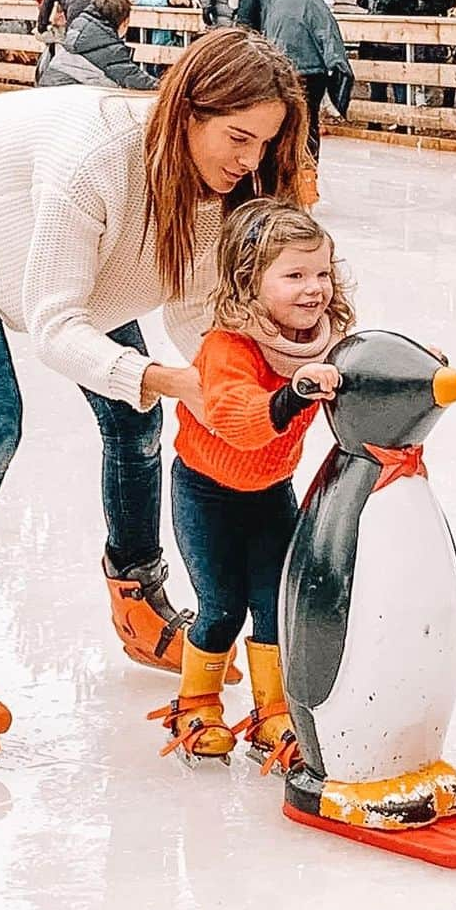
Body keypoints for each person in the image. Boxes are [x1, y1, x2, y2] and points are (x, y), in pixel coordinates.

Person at [0, 28, 309, 758]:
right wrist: (171, 381)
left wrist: (286, 362)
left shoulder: (218, 186)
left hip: (71, 264)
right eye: (239, 137)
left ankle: (136, 599)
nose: (249, 161)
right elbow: (55, 325)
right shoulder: (97, 165)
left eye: (264, 145)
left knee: (136, 423)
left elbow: (198, 312)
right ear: (188, 111)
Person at [150, 198, 353, 767]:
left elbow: (356, 381)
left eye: (321, 273)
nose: (314, 288)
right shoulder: (227, 347)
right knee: (221, 606)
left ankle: (272, 712)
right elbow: (238, 421)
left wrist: (408, 372)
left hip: (270, 494)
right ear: (248, 280)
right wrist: (295, 394)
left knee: (273, 604)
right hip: (206, 493)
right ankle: (196, 702)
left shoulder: (321, 340)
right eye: (293, 275)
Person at [230, 0, 353, 205]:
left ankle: (276, 184)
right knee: (307, 122)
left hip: (282, 64)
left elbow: (244, 33)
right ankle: (306, 182)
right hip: (317, 64)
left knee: (277, 124)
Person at [35, 0, 158, 90]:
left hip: (48, 88)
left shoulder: (78, 28)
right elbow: (133, 78)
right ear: (123, 22)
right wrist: (164, 87)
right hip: (70, 102)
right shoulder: (109, 49)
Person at [354, 0, 423, 109]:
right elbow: (379, 3)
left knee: (399, 82)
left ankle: (402, 123)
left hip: (395, 38)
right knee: (376, 83)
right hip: (378, 37)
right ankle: (376, 121)